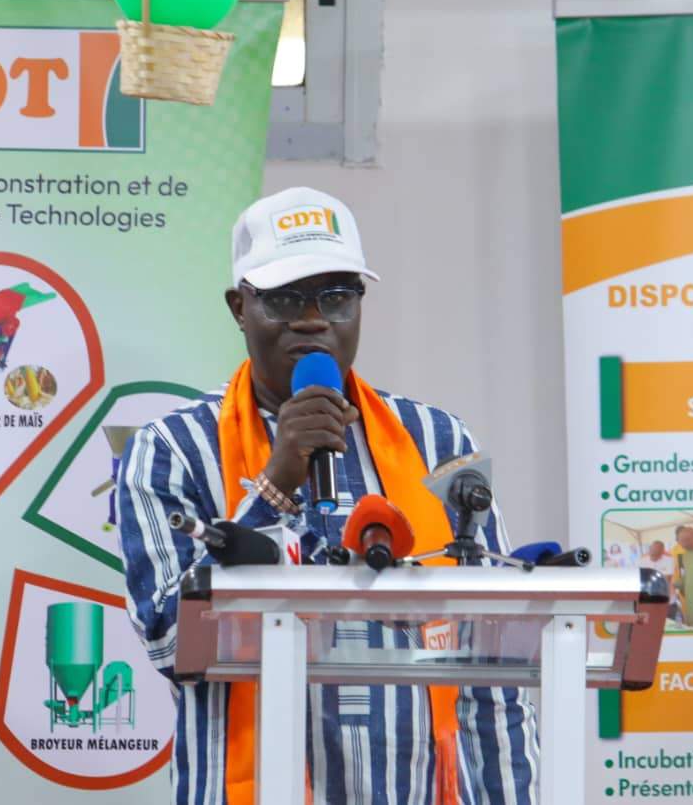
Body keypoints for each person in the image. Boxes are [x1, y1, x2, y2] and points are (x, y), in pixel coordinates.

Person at [118, 187, 539, 805]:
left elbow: (493, 666)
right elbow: (168, 645)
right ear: (239, 308)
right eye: (286, 298)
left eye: (337, 296)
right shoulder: (170, 450)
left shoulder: (442, 441)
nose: (313, 319)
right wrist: (276, 483)